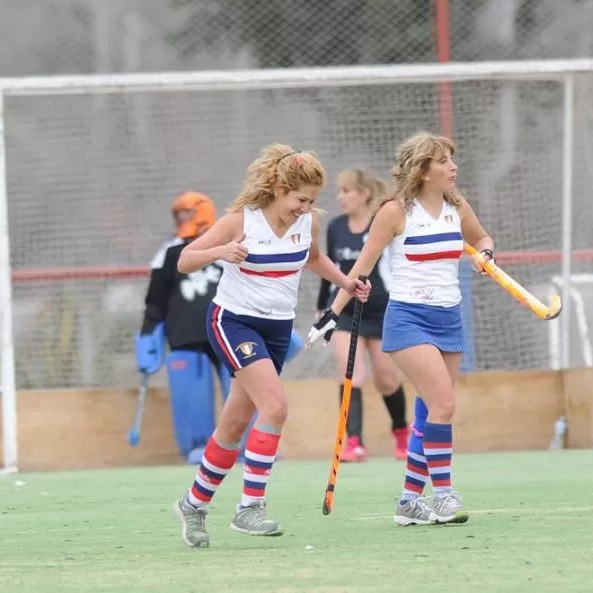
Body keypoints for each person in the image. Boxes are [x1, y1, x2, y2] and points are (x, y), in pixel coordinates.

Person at [171, 144, 370, 548]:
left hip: (277, 330)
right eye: (299, 199)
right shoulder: (240, 221)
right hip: (234, 321)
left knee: (233, 424)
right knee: (275, 407)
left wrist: (346, 282)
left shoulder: (308, 222)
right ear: (279, 188)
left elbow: (314, 259)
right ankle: (250, 507)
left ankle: (193, 503)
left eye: (311, 201)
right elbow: (185, 261)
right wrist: (221, 252)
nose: (304, 207)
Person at [309, 132, 494, 526]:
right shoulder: (395, 211)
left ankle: (410, 499)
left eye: (452, 160)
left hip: (450, 317)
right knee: (444, 404)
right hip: (409, 318)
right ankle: (443, 494)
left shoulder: (457, 206)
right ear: (423, 171)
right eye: (444, 161)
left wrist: (486, 255)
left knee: (430, 409)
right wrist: (331, 314)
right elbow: (361, 266)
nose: (453, 167)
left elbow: (480, 238)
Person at [136, 192, 306, 465]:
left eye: (188, 214)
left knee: (246, 391)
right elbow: (155, 300)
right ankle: (198, 446)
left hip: (234, 328)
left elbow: (263, 282)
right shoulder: (169, 253)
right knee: (190, 392)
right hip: (186, 336)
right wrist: (147, 333)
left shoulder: (237, 238)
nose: (183, 220)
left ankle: (255, 444)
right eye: (179, 215)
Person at [316, 168, 409, 463]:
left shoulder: (382, 223)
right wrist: (324, 307)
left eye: (347, 191)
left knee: (387, 379)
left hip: (381, 309)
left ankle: (402, 433)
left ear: (364, 194)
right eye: (339, 191)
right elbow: (327, 271)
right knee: (350, 373)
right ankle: (352, 441)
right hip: (346, 310)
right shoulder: (335, 228)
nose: (340, 197)